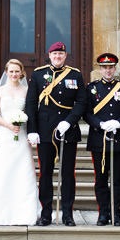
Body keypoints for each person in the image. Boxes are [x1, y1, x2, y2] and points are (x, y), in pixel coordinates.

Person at [25, 41, 86, 226]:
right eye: (54, 54)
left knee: (68, 173)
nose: (58, 57)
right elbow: (31, 103)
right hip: (45, 131)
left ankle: (67, 213)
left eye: (61, 54)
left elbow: (82, 102)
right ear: (49, 55)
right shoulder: (38, 74)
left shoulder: (75, 75)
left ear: (65, 56)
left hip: (67, 130)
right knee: (45, 173)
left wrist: (69, 122)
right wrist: (32, 129)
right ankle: (46, 213)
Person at [0, 59, 39, 225]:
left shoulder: (27, 91)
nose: (14, 74)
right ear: (6, 73)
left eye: (17, 71)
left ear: (21, 72)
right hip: (5, 135)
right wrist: (8, 125)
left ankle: (24, 211)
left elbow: (32, 112)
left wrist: (26, 129)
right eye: (11, 71)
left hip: (22, 136)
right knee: (3, 169)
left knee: (23, 170)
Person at [84, 53, 120, 226]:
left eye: (111, 67)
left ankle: (116, 212)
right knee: (101, 179)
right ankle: (103, 213)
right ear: (100, 69)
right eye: (105, 67)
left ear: (115, 68)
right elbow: (87, 112)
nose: (108, 70)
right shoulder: (91, 88)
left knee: (118, 179)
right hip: (99, 138)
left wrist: (118, 123)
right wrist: (100, 123)